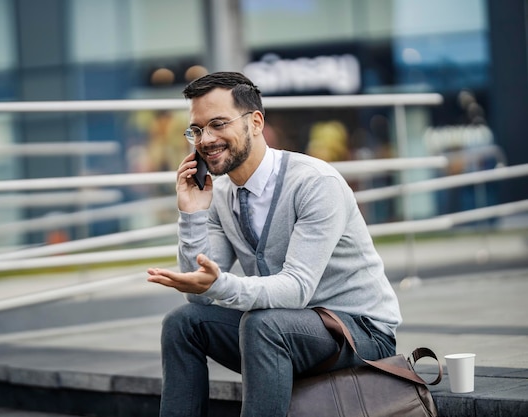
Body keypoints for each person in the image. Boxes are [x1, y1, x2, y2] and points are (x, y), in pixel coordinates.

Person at [147, 72, 402, 417]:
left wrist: (221, 285)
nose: (205, 139)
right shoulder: (218, 193)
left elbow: (297, 288)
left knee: (262, 324)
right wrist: (191, 213)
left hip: (358, 331)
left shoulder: (314, 183)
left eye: (218, 124)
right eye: (197, 129)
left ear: (255, 122)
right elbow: (198, 291)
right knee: (182, 323)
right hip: (284, 330)